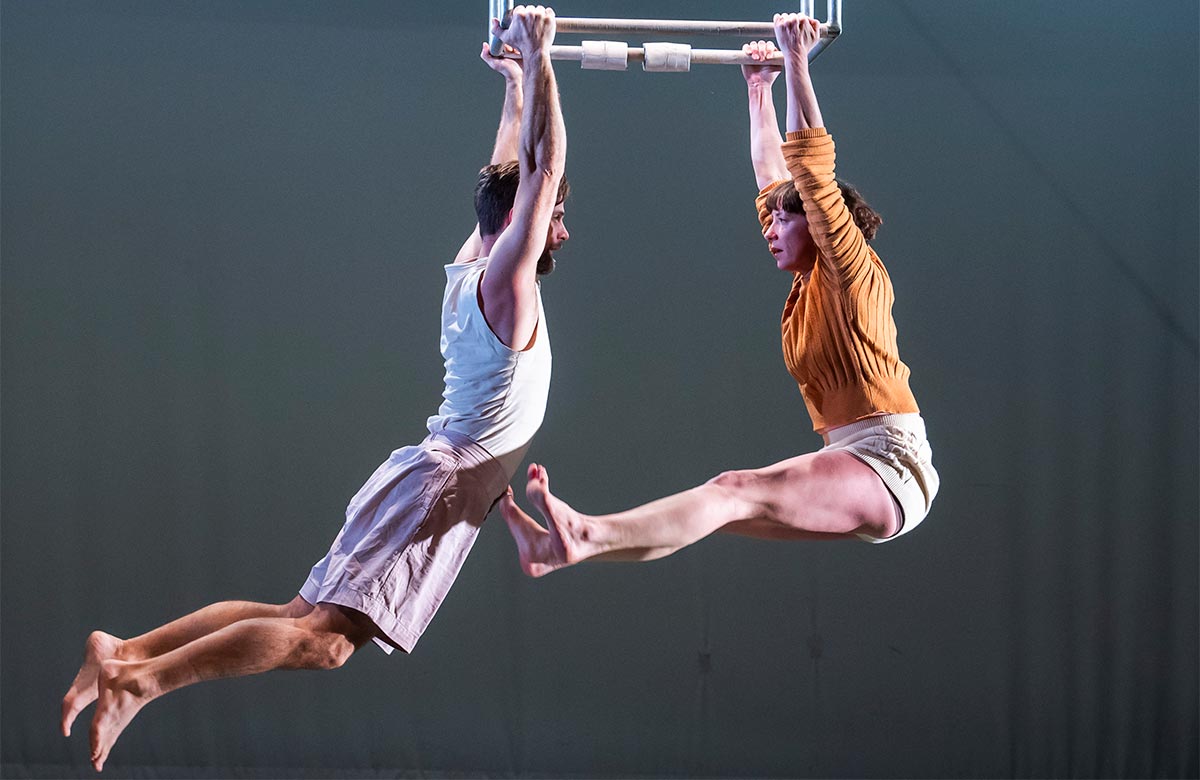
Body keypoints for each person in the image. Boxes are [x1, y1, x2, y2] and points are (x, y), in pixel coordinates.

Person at [61, 6, 568, 771]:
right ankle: (140, 682)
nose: (560, 228)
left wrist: (516, 86)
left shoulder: (474, 260)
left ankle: (125, 651)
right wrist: (541, 56)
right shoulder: (506, 283)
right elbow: (539, 168)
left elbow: (507, 172)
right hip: (439, 485)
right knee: (323, 643)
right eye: (554, 218)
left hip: (429, 478)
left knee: (294, 616)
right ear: (522, 221)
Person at [500, 13, 938, 577]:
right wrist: (760, 87)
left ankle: (584, 534)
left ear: (823, 223)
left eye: (784, 221)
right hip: (853, 458)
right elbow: (773, 174)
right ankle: (578, 545)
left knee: (732, 491)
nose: (769, 229)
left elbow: (810, 169)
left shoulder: (850, 267)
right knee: (717, 508)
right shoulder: (809, 288)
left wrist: (797, 58)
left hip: (889, 459)